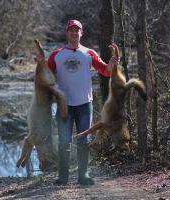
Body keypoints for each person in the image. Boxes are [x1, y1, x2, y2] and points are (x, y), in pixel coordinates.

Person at [46, 19, 118, 185]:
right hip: (64, 105)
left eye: (76, 30)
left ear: (81, 33)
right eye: (70, 30)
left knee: (83, 141)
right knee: (64, 141)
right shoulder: (57, 54)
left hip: (85, 104)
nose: (73, 33)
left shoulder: (89, 53)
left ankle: (83, 176)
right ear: (67, 33)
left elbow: (105, 72)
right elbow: (46, 75)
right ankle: (63, 177)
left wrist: (112, 65)